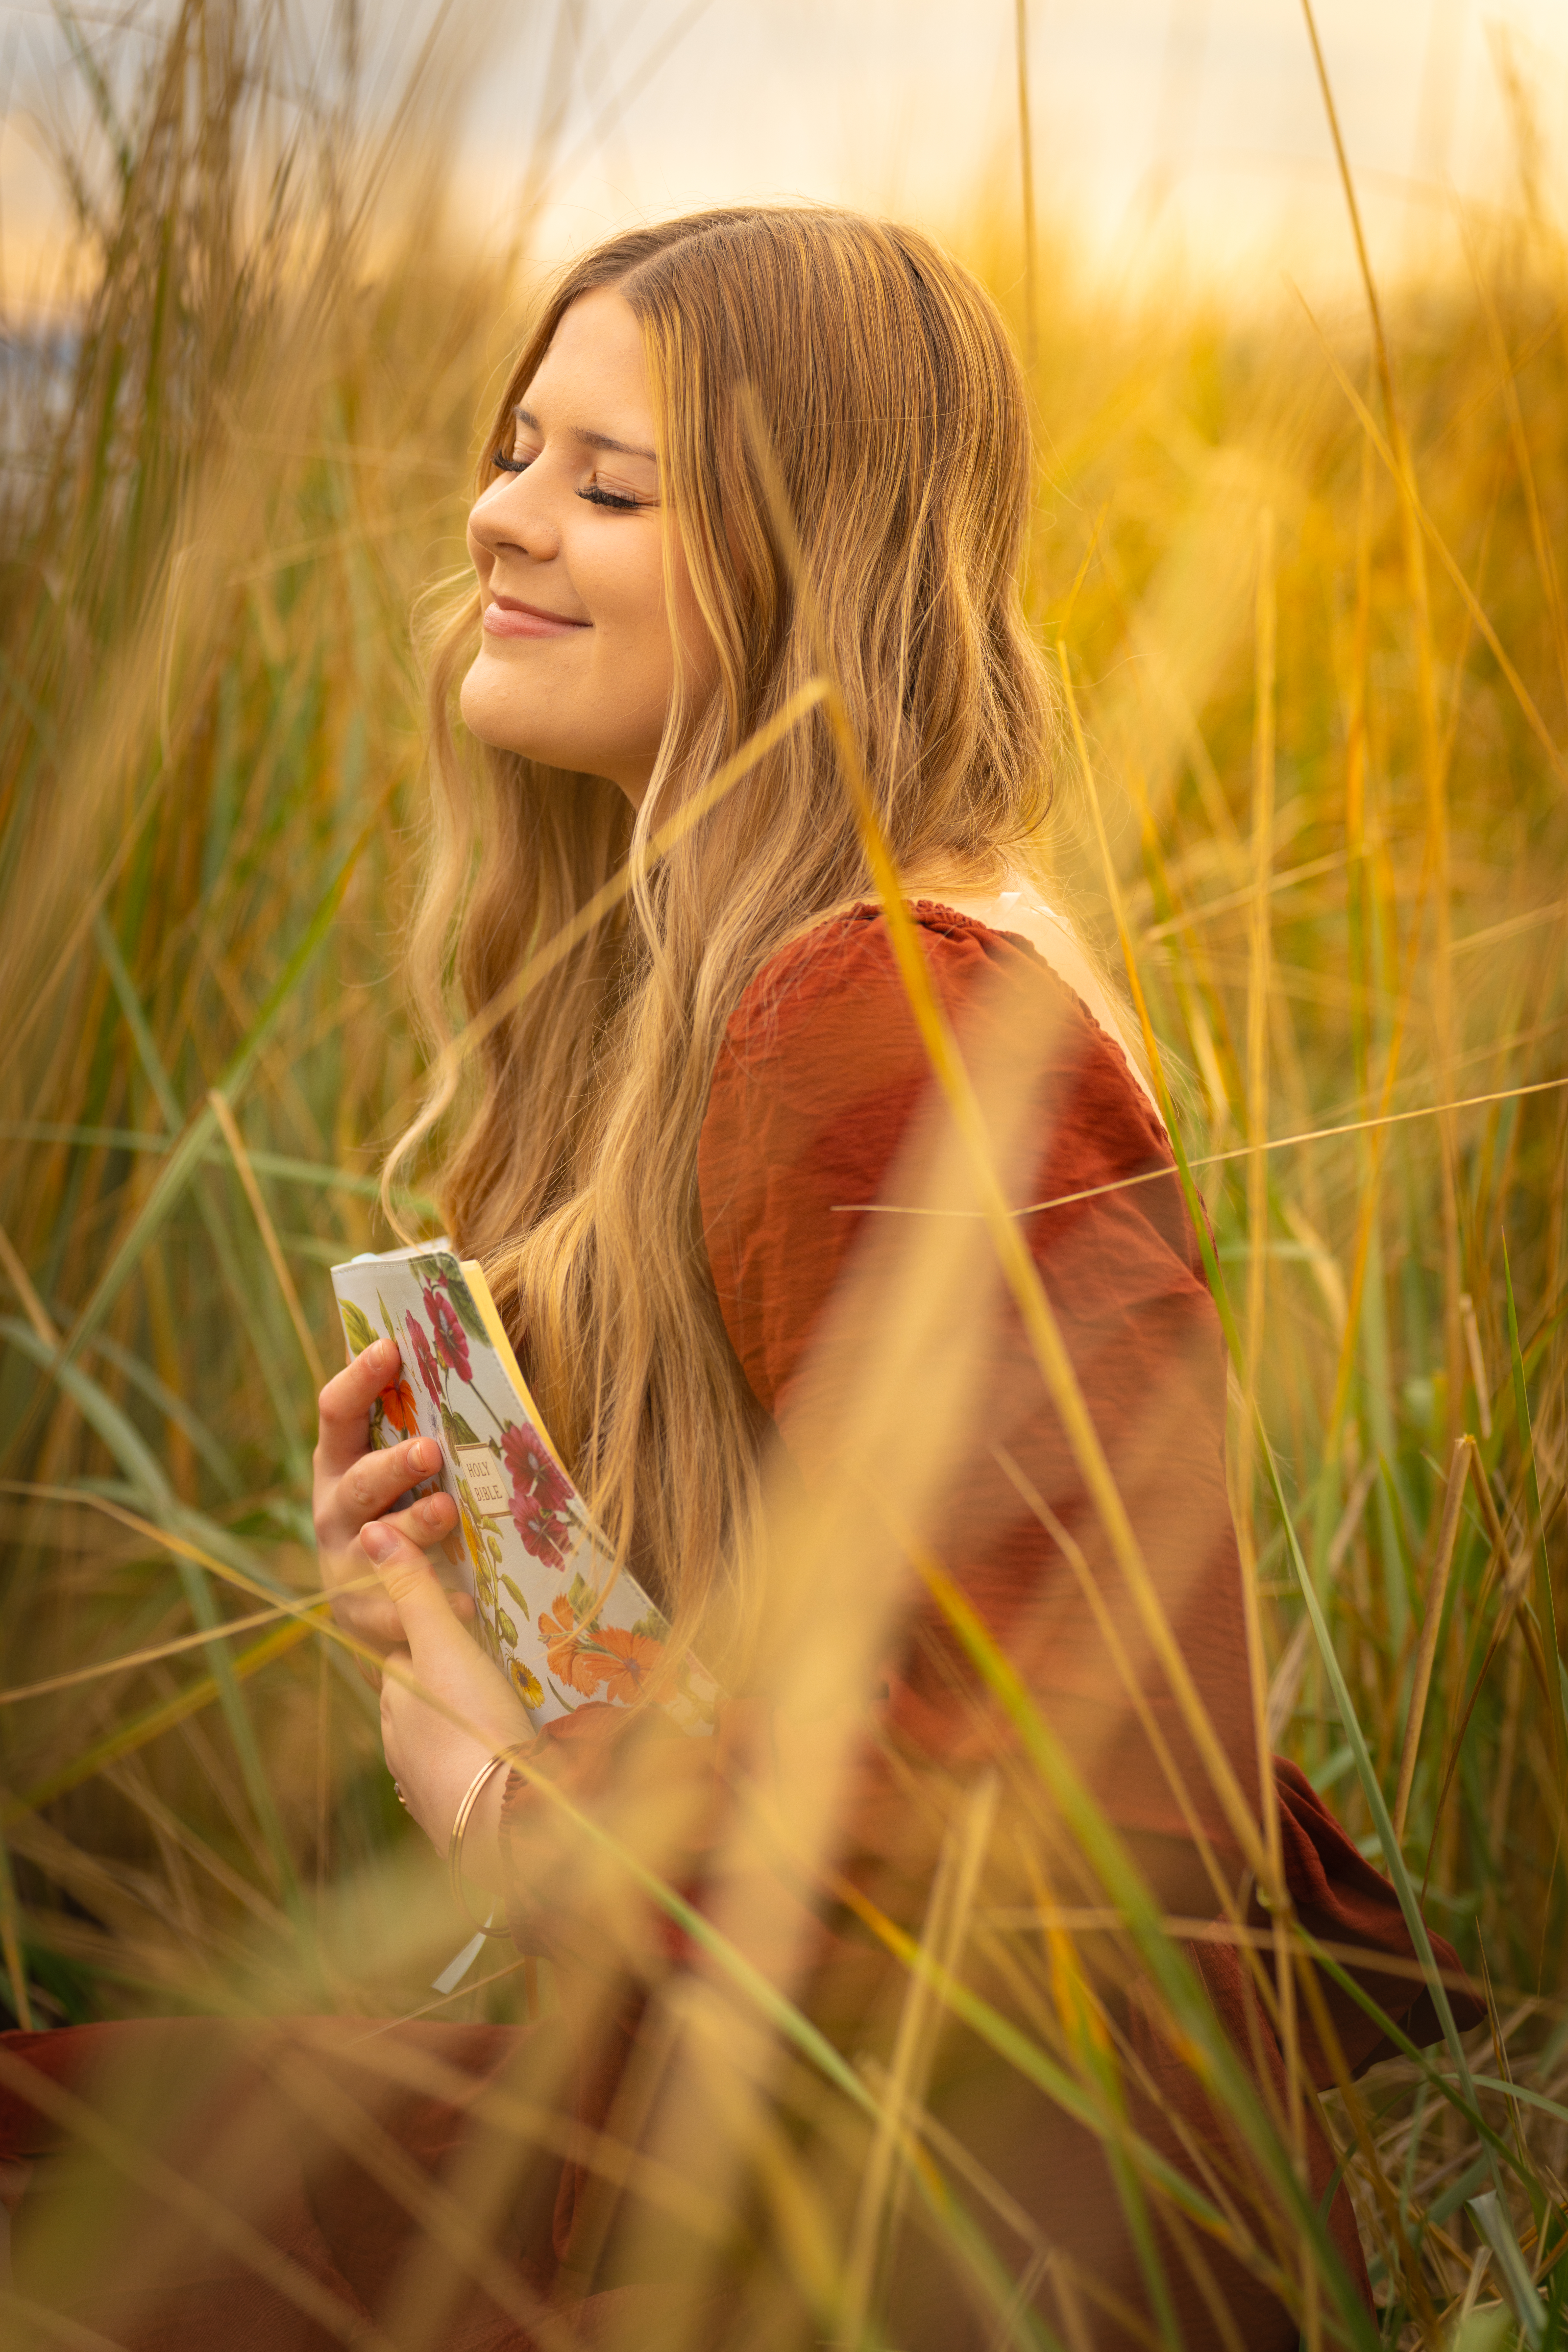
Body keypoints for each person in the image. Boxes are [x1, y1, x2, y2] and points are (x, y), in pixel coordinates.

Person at [0, 206, 1478, 2352]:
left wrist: (491, 1795)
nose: (501, 520)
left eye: (609, 485)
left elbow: (1064, 1842)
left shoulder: (871, 1019)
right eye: (515, 452)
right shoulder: (752, 978)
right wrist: (466, 1606)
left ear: (813, 560)